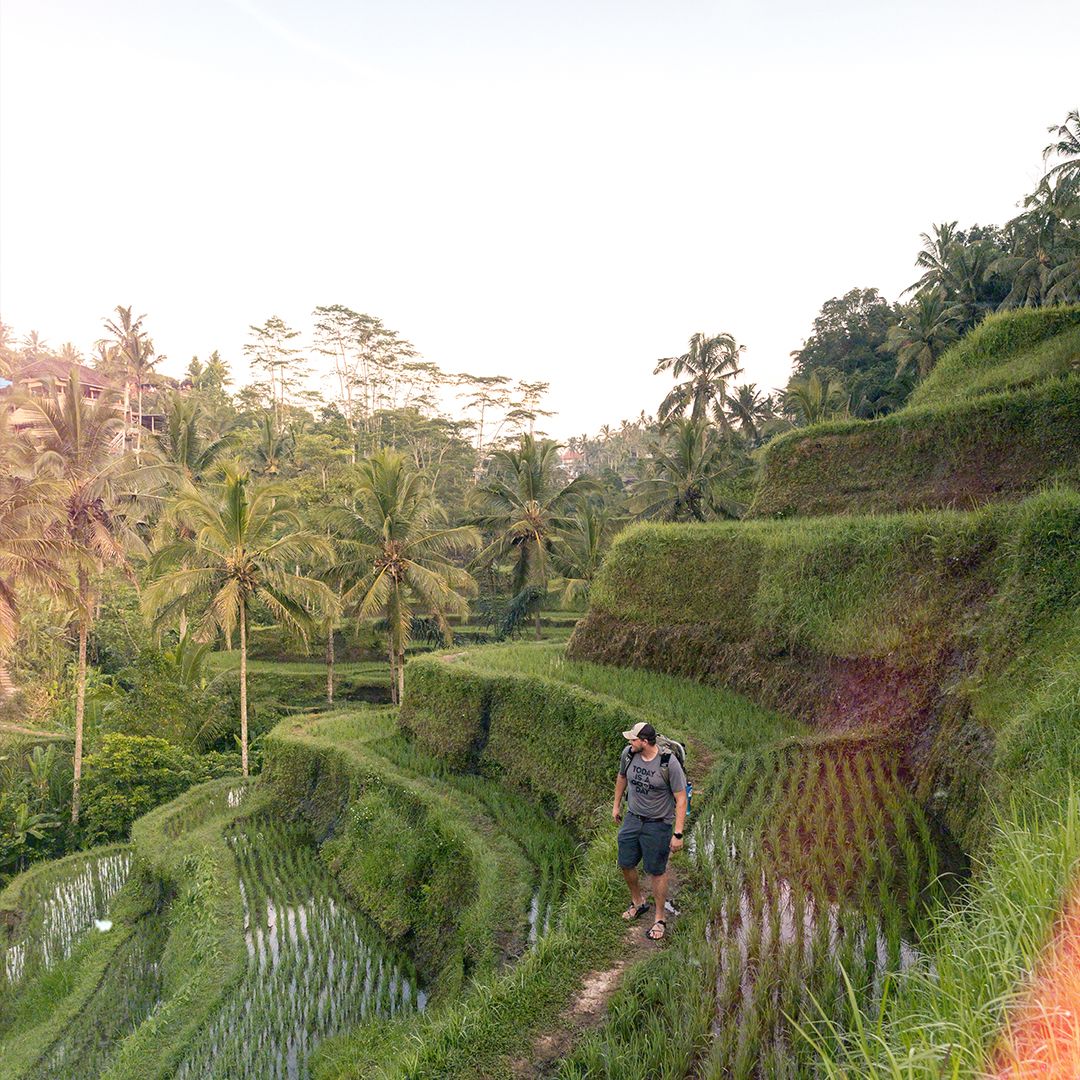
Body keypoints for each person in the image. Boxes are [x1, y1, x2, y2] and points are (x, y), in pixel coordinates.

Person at [612, 721, 687, 940]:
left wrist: (678, 834)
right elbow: (622, 778)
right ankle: (638, 901)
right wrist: (616, 805)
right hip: (632, 819)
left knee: (656, 871)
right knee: (626, 863)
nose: (629, 742)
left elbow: (681, 799)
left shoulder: (668, 763)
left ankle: (659, 918)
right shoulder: (629, 754)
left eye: (633, 739)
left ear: (645, 742)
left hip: (658, 824)